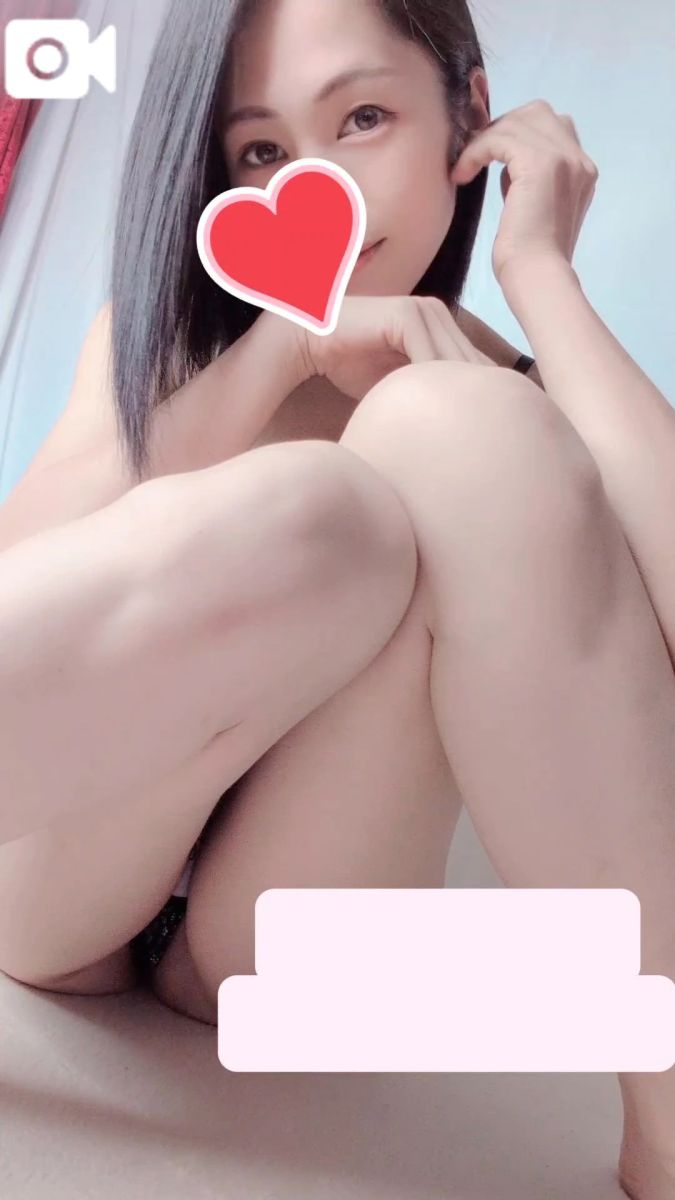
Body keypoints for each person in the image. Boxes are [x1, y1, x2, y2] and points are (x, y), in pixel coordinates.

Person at [0, 3, 673, 1196]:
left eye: (362, 118)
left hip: (276, 953)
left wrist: (541, 276)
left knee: (460, 425)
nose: (320, 188)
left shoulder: (515, 399)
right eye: (262, 150)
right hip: (58, 886)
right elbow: (32, 575)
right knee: (326, 515)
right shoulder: (165, 345)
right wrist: (289, 350)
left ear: (470, 112)